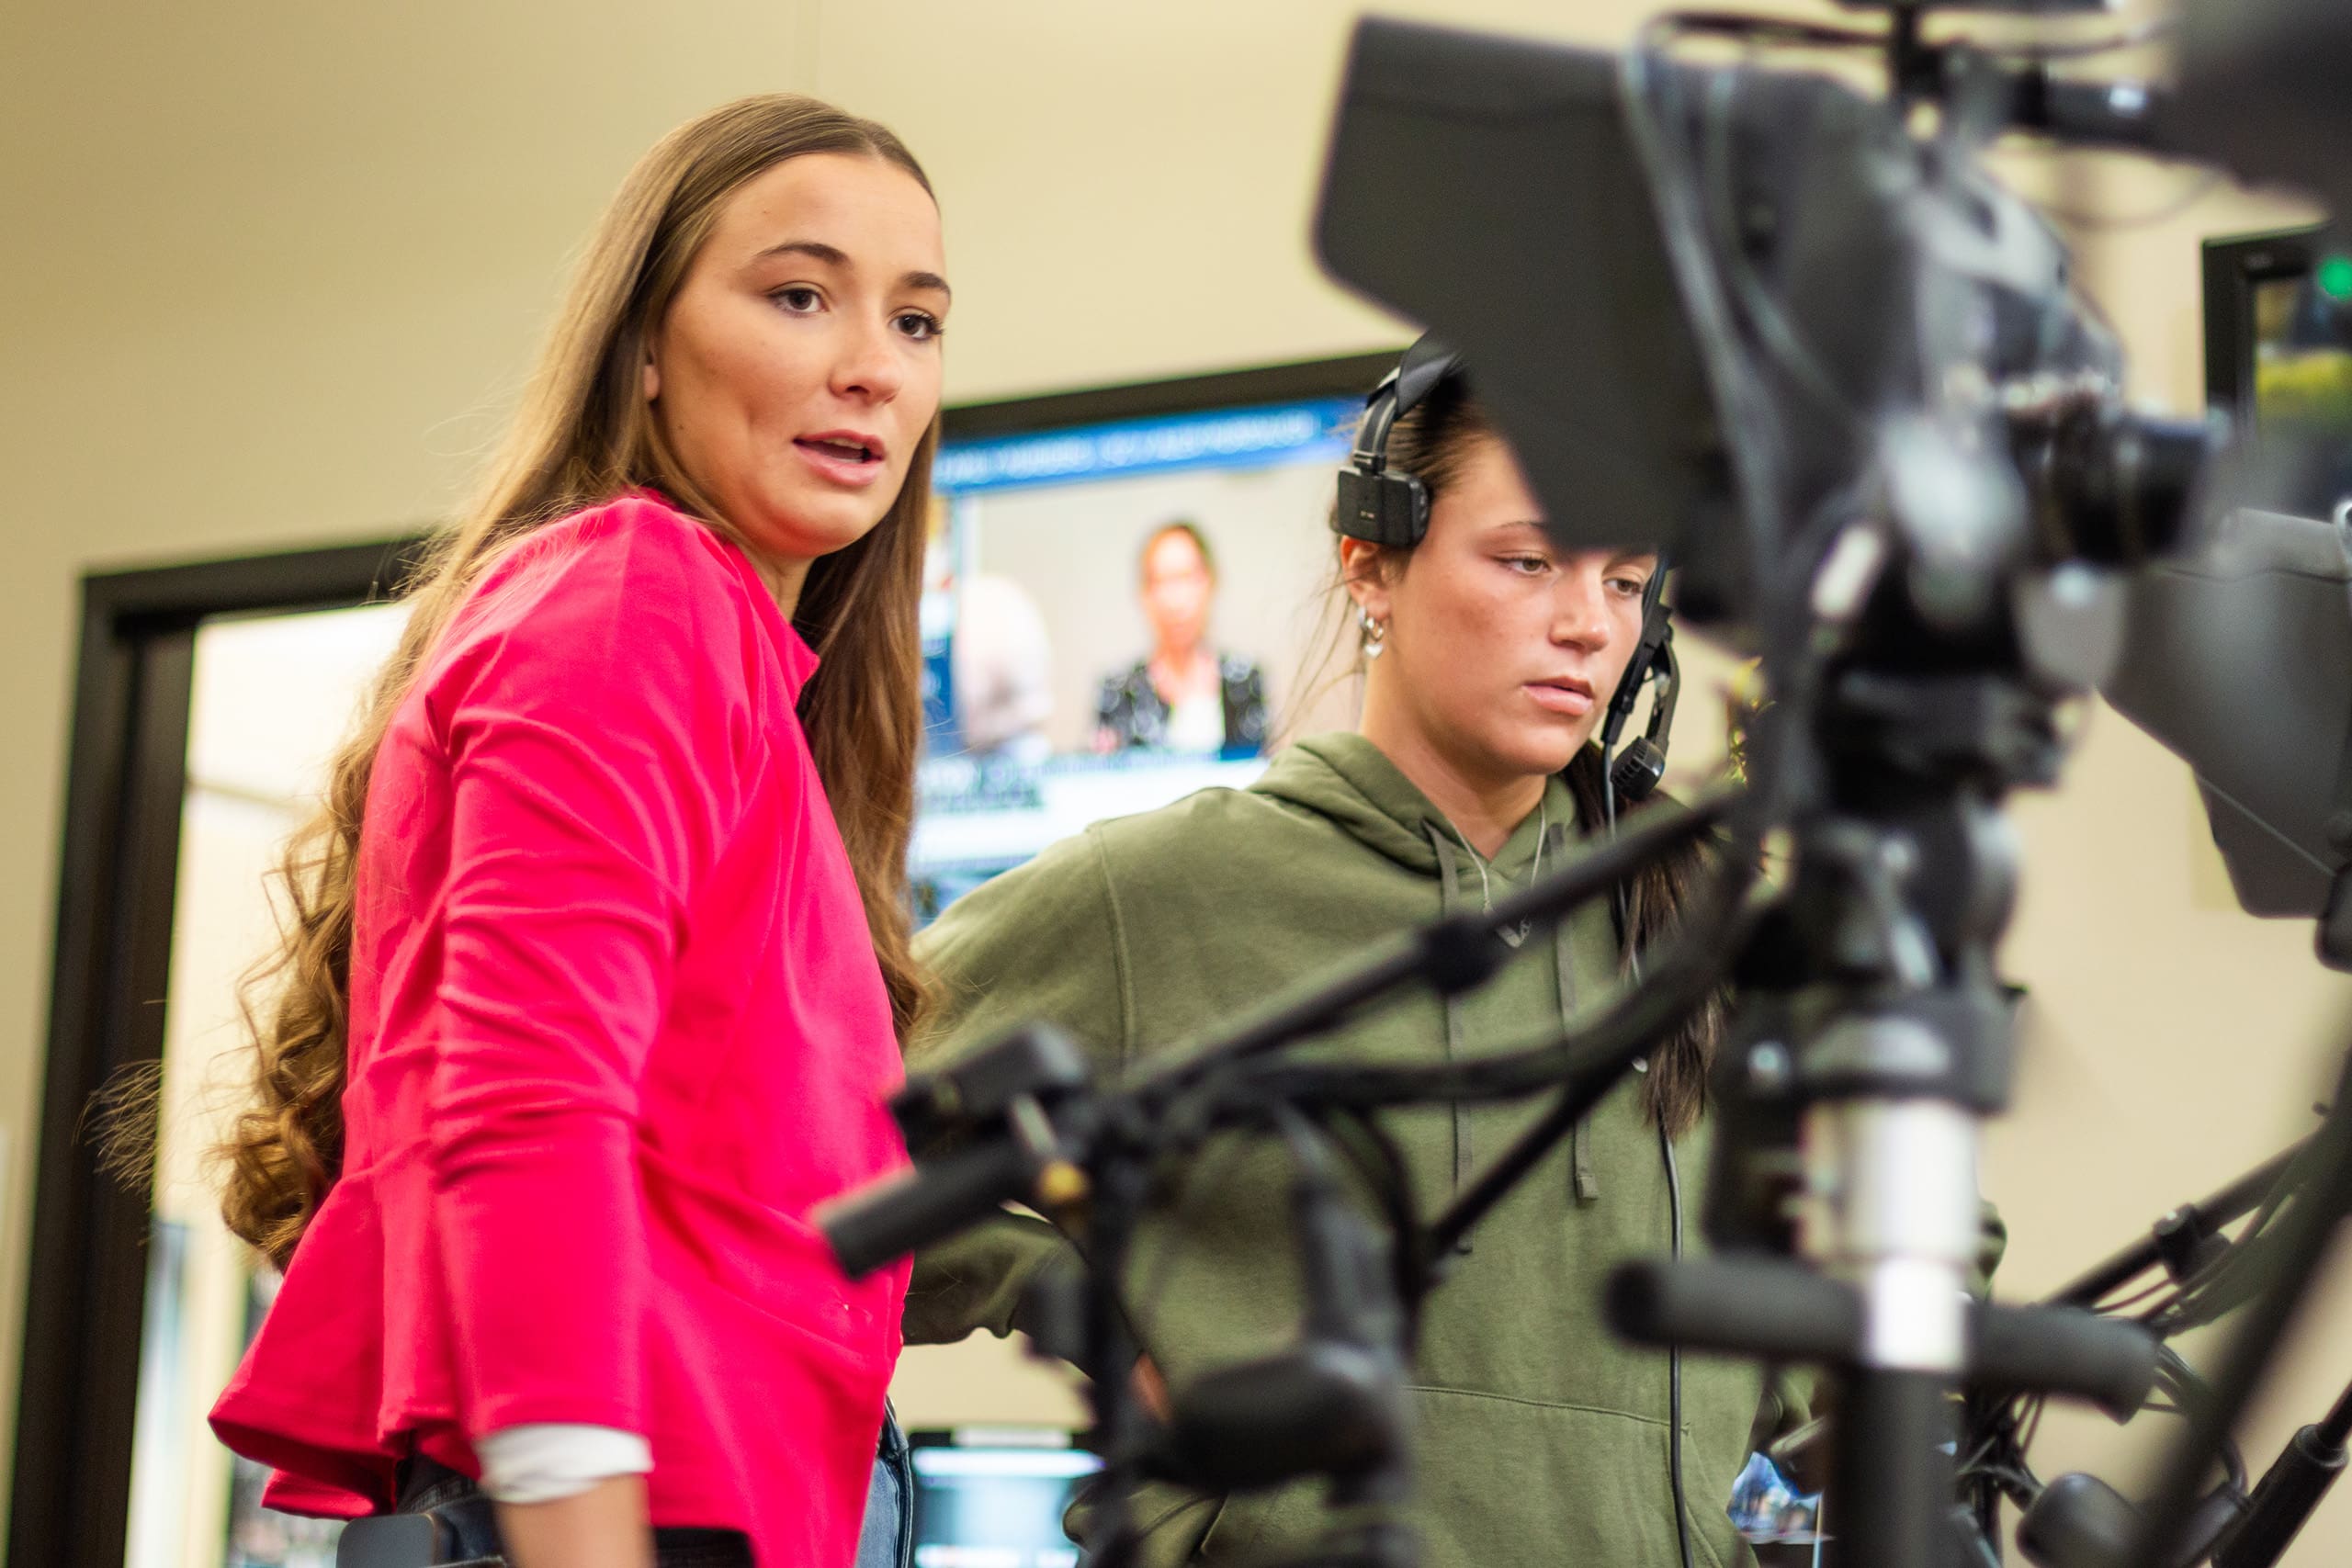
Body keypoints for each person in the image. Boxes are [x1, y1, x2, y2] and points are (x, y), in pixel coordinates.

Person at [205, 95, 948, 1568]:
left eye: (918, 323)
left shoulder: (746, 674)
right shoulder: (636, 592)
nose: (871, 366)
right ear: (649, 347)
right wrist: (580, 1519)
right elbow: (523, 1096)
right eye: (800, 295)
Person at [905, 357, 1793, 1568]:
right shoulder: (1156, 892)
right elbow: (792, 1136)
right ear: (1369, 557)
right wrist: (1074, 1301)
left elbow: (1869, 1259)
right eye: (1530, 560)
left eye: (1627, 579)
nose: (1589, 621)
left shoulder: (1697, 928)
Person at [1093, 520, 1269, 755]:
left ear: (1210, 582)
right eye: (1161, 581)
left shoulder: (1244, 680)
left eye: (1187, 577)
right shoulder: (1119, 691)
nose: (1175, 600)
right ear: (1145, 594)